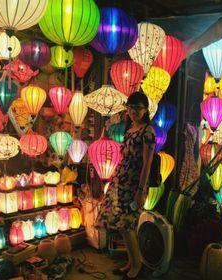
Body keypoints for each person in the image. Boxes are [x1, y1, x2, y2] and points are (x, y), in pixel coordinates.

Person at [96, 92, 156, 280]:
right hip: (120, 182)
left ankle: (137, 266)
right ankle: (131, 261)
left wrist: (140, 190)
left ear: (145, 110)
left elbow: (147, 163)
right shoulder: (129, 129)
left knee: (128, 224)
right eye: (130, 107)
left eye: (137, 108)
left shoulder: (148, 131)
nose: (133, 111)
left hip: (134, 185)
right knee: (121, 225)